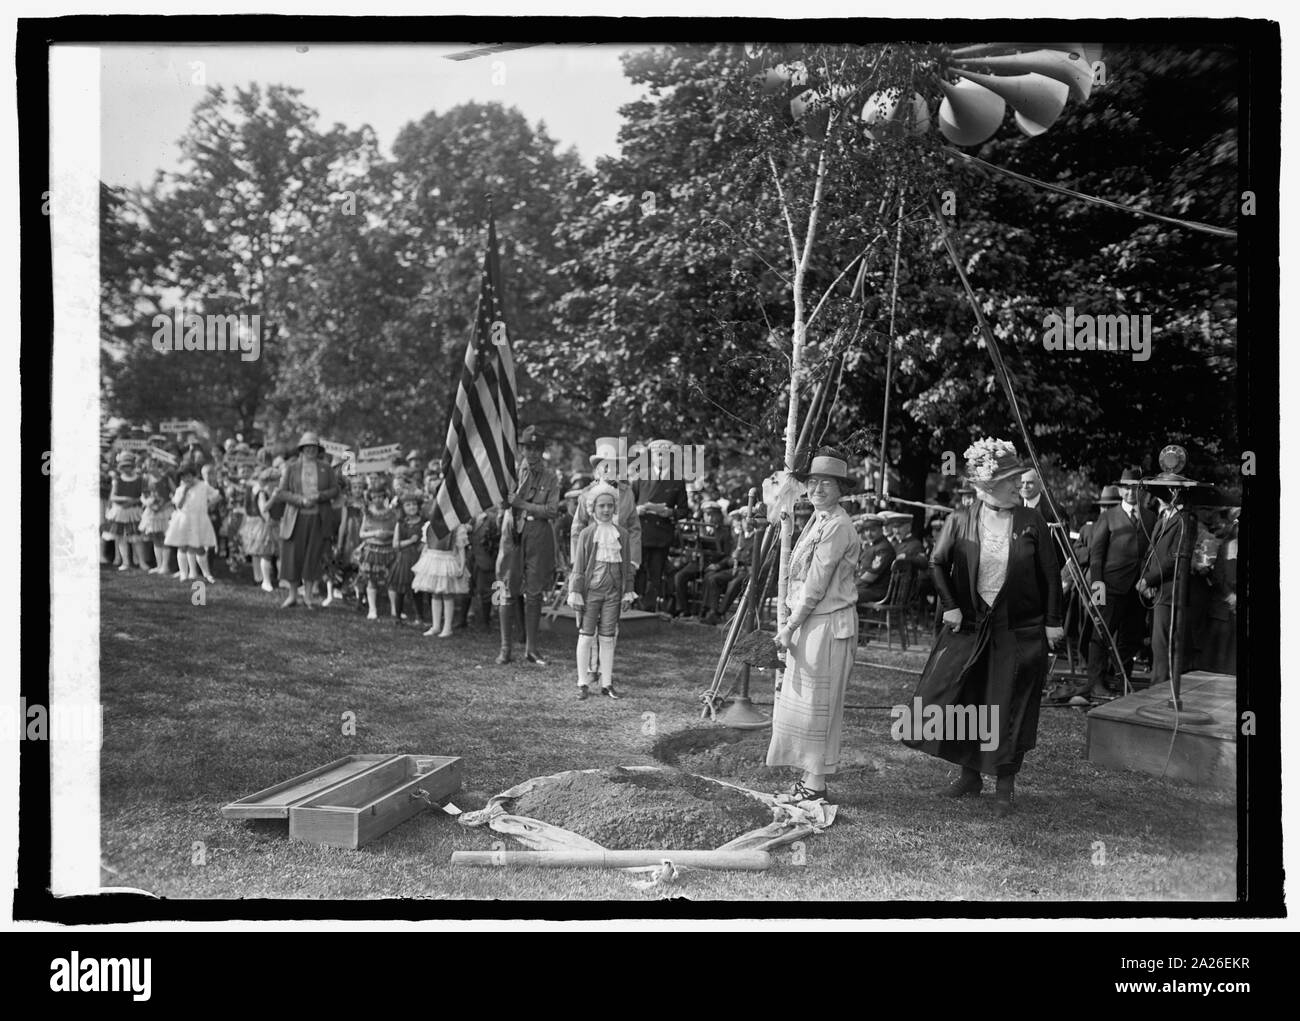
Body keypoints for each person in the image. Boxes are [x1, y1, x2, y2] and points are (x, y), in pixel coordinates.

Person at [904, 439, 1063, 817]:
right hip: (971, 626)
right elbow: (937, 563)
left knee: (1008, 705)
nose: (1018, 486)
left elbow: (1052, 576)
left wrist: (1054, 623)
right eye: (1010, 481)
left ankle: (1004, 787)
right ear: (989, 486)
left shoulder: (1031, 521)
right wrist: (951, 607)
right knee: (967, 698)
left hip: (1018, 629)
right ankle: (969, 776)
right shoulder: (961, 519)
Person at [765, 448, 861, 803]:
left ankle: (816, 783)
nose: (818, 488)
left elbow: (816, 585)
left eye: (827, 483)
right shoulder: (818, 519)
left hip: (828, 624)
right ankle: (809, 779)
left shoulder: (837, 525)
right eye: (813, 482)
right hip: (812, 622)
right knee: (804, 706)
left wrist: (790, 625)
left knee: (820, 706)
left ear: (841, 489)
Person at [1085, 472, 1156, 697]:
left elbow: (1151, 552)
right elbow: (1096, 554)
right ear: (1120, 490)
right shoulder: (1108, 517)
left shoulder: (1150, 517)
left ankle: (1123, 680)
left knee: (1130, 638)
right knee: (1102, 635)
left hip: (1138, 589)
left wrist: (1150, 581)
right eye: (1126, 487)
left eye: (1135, 487)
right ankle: (1095, 683)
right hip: (1110, 586)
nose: (1130, 492)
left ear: (1141, 489)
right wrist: (1097, 585)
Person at [496, 425, 560, 665]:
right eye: (528, 448)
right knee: (504, 587)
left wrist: (523, 504)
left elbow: (552, 510)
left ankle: (532, 648)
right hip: (512, 532)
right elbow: (501, 505)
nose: (532, 453)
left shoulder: (550, 477)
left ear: (542, 451)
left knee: (534, 592)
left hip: (538, 534)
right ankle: (505, 648)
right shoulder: (510, 473)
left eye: (536, 449)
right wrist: (507, 499)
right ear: (522, 449)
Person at [568, 482, 637, 700]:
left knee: (608, 638)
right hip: (591, 593)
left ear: (615, 507)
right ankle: (582, 682)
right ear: (593, 509)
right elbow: (579, 566)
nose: (606, 510)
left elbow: (626, 565)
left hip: (613, 594)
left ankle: (607, 683)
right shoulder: (587, 534)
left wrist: (628, 591)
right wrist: (576, 592)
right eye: (601, 506)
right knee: (586, 636)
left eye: (609, 506)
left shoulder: (622, 534)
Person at [1136, 469, 1198, 692]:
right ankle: (1159, 687)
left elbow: (1175, 559)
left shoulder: (1186, 520)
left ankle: (1160, 690)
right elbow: (1150, 552)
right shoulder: (1164, 517)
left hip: (1171, 591)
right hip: (1158, 590)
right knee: (1157, 643)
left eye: (1166, 490)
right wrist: (1145, 579)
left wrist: (1149, 580)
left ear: (1175, 492)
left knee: (1163, 644)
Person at [273, 432, 340, 609]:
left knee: (313, 556)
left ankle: (309, 596)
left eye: (314, 447)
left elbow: (335, 490)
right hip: (296, 518)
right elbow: (282, 492)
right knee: (293, 557)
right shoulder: (292, 467)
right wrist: (300, 500)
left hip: (318, 518)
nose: (311, 450)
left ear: (318, 449)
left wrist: (320, 496)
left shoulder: (326, 468)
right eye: (307, 447)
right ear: (301, 449)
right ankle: (292, 595)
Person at [632, 438, 690, 614]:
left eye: (664, 454)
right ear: (652, 457)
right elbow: (628, 506)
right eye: (658, 454)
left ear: (670, 457)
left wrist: (670, 513)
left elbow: (684, 510)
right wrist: (637, 510)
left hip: (662, 534)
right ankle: (635, 605)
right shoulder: (640, 478)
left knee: (655, 573)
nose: (661, 457)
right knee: (638, 570)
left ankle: (648, 610)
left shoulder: (677, 480)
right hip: (641, 532)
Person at [672, 501, 733, 618]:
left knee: (708, 577)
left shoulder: (725, 533)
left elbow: (728, 555)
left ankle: (704, 611)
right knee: (679, 576)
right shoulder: (700, 529)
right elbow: (689, 548)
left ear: (718, 516)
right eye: (706, 515)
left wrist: (718, 565)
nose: (709, 518)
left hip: (713, 564)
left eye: (712, 515)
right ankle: (684, 610)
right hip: (698, 563)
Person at [412, 516, 470, 638]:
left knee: (447, 592)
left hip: (447, 560)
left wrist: (462, 565)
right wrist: (421, 564)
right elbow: (426, 546)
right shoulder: (429, 525)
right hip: (432, 560)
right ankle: (436, 625)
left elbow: (461, 549)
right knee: (435, 593)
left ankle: (447, 627)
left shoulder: (456, 527)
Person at [163, 460, 219, 584]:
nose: (187, 479)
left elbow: (216, 496)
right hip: (184, 520)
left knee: (199, 547)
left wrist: (207, 506)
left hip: (198, 520)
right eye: (183, 476)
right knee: (183, 546)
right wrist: (184, 492)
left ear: (194, 475)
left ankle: (206, 573)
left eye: (189, 475)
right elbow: (179, 505)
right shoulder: (180, 489)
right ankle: (184, 573)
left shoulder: (203, 486)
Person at [355, 480, 399, 621]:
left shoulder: (391, 514)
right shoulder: (368, 514)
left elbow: (397, 531)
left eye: (381, 496)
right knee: (371, 580)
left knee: (391, 580)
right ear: (371, 498)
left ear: (385, 496)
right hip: (372, 550)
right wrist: (374, 534)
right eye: (375, 497)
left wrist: (389, 534)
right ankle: (372, 608)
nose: (378, 499)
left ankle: (394, 609)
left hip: (388, 549)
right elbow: (361, 534)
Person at [1202, 511, 1238, 675]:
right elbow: (1218, 576)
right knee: (1220, 653)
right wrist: (1230, 596)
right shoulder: (1225, 546)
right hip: (1223, 607)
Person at [388, 491, 428, 627]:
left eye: (414, 504)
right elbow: (395, 544)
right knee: (401, 588)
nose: (412, 507)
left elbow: (427, 540)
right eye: (408, 505)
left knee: (418, 590)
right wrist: (410, 541)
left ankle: (419, 616)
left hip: (419, 558)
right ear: (403, 508)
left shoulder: (424, 523)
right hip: (404, 559)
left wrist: (422, 545)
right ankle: (397, 616)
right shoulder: (401, 524)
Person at [105, 451, 148, 571]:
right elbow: (113, 497)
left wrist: (132, 502)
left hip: (134, 511)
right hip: (120, 512)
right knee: (121, 538)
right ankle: (125, 562)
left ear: (133, 466)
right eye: (124, 466)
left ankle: (142, 562)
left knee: (136, 539)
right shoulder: (118, 480)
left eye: (128, 466)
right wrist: (125, 499)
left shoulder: (139, 479)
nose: (126, 469)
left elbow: (142, 495)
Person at [138, 456, 176, 575]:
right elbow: (142, 495)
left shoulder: (166, 478)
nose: (151, 468)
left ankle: (165, 565)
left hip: (165, 510)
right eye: (148, 466)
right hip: (152, 511)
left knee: (165, 537)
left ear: (158, 466)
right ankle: (159, 565)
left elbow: (175, 494)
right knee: (156, 538)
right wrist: (147, 503)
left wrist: (166, 505)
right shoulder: (145, 479)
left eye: (153, 465)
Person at [468, 508, 500, 630]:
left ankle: (486, 621)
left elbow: (496, 538)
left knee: (486, 588)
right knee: (468, 588)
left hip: (486, 558)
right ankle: (463, 619)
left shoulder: (491, 518)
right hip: (470, 558)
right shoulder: (468, 517)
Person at [855, 513, 895, 605]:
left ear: (881, 530)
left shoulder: (883, 548)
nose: (869, 534)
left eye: (873, 530)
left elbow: (871, 576)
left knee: (843, 594)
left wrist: (852, 585)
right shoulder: (872, 546)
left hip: (876, 590)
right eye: (866, 530)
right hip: (866, 588)